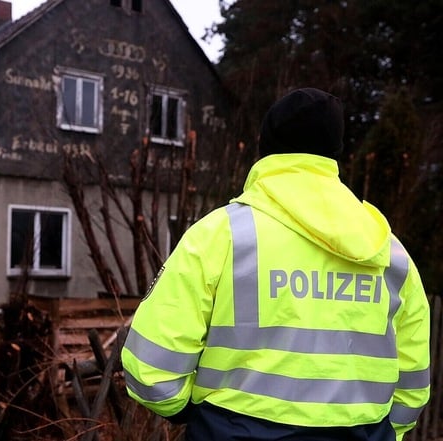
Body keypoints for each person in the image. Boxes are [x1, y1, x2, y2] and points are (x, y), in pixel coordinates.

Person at [121, 88, 430, 441]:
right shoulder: (390, 251)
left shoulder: (220, 234)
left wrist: (198, 416)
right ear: (336, 152)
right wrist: (388, 430)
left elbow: (151, 368)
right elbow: (413, 381)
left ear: (264, 148)